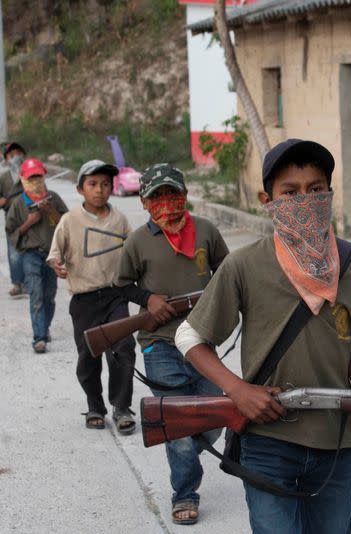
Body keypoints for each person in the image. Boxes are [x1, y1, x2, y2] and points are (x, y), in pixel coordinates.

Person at [174, 139, 351, 534]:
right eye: (291, 192)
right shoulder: (245, 264)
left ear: (329, 193)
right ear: (267, 199)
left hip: (335, 443)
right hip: (267, 442)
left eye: (316, 189)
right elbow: (189, 337)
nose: (305, 200)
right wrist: (237, 390)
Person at [114, 163, 230, 526]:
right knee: (177, 422)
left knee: (216, 415)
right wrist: (147, 299)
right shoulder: (137, 240)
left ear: (184, 194)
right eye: (157, 196)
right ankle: (185, 494)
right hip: (158, 343)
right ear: (145, 201)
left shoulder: (206, 231)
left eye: (172, 193)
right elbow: (122, 285)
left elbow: (228, 275)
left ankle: (182, 442)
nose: (166, 202)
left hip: (201, 339)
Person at [47, 160, 137, 433]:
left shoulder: (119, 220)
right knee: (88, 357)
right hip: (84, 300)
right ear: (80, 189)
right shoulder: (69, 220)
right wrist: (56, 264)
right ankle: (94, 405)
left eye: (106, 184)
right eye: (93, 184)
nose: (100, 190)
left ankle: (121, 407)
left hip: (115, 297)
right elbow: (54, 253)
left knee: (123, 349)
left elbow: (134, 253)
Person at [6, 158, 68, 353]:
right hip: (30, 254)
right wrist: (29, 222)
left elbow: (67, 225)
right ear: (23, 179)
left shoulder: (54, 198)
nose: (35, 182)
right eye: (31, 178)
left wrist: (50, 211)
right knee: (36, 294)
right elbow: (11, 232)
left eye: (38, 177)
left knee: (49, 295)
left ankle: (45, 326)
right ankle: (39, 338)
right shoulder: (18, 204)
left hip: (52, 254)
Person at [0, 142, 27, 297]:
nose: (15, 158)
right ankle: (17, 284)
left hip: (30, 218)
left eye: (18, 154)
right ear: (6, 159)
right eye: (11, 155)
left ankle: (29, 282)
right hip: (11, 220)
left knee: (29, 251)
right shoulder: (3, 178)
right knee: (14, 253)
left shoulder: (30, 175)